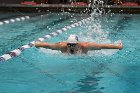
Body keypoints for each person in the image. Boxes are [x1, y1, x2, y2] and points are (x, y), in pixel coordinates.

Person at [35, 34, 123, 54]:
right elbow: (48, 45)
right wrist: (37, 44)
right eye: (69, 44)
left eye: (73, 45)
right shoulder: (62, 46)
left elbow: (103, 46)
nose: (70, 46)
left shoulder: (86, 46)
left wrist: (119, 46)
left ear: (77, 44)